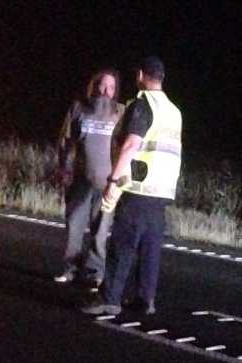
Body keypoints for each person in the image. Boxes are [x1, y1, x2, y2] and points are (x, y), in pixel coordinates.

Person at [81, 56, 182, 315]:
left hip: (139, 187)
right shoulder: (173, 110)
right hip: (162, 191)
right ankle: (145, 299)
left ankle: (109, 298)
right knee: (150, 248)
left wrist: (114, 180)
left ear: (140, 75)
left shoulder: (143, 104)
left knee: (122, 244)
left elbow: (131, 144)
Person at [55, 69, 124, 286]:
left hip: (107, 183)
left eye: (111, 87)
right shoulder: (78, 108)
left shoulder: (120, 112)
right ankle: (70, 269)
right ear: (94, 86)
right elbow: (66, 142)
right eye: (103, 85)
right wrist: (64, 170)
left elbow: (126, 146)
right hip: (80, 179)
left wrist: (120, 180)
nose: (106, 91)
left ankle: (95, 273)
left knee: (101, 231)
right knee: (74, 226)